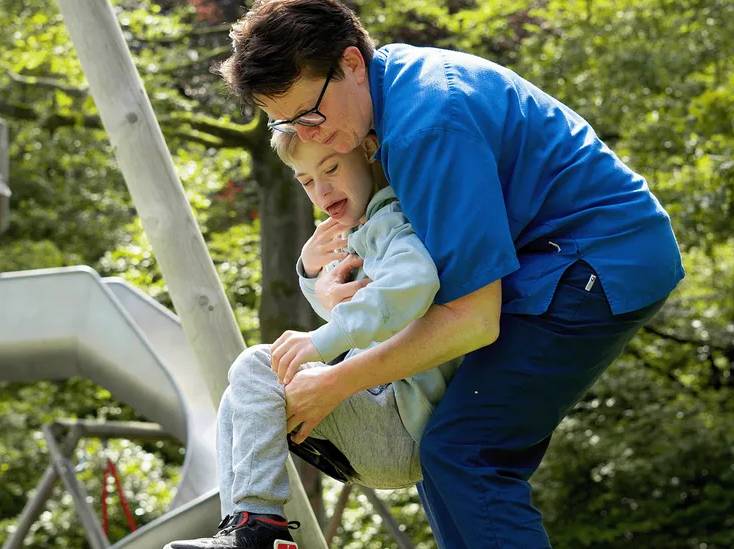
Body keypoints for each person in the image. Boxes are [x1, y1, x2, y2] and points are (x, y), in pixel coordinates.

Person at [214, 1, 686, 548]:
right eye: (289, 123)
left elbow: (472, 320)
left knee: (467, 452)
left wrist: (338, 379)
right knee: (449, 453)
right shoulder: (382, 108)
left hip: (600, 257)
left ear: (350, 64)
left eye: (310, 115)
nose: (308, 135)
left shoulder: (426, 122)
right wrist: (324, 285)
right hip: (551, 258)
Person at [166, 131, 461, 549]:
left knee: (258, 365)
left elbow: (413, 283)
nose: (321, 191)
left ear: (368, 151)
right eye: (306, 181)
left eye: (331, 168)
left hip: (399, 424)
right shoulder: (369, 224)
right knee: (240, 397)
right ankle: (245, 528)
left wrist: (321, 341)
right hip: (382, 425)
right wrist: (309, 271)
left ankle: (259, 529)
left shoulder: (392, 219)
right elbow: (360, 311)